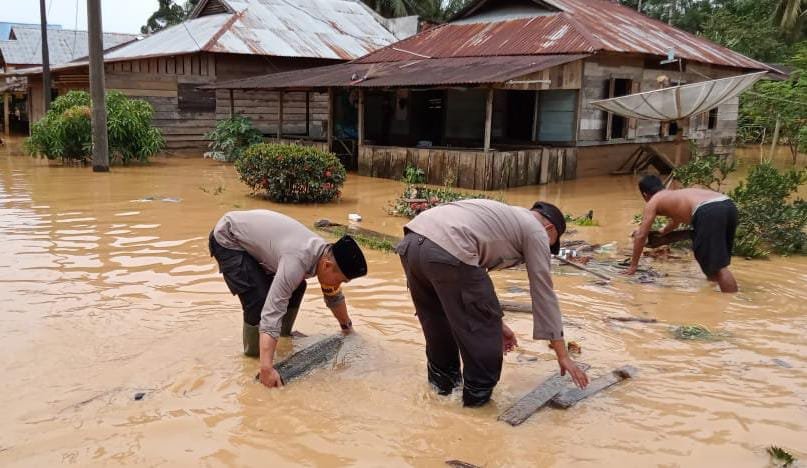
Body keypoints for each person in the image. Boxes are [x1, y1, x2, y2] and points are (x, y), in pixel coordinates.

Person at [395, 199, 589, 407]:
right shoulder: (536, 230)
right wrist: (563, 355)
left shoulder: (504, 216)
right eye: (551, 241)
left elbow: (470, 287)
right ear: (548, 228)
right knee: (484, 344)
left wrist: (498, 323)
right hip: (449, 249)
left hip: (412, 243)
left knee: (438, 328)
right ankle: (475, 414)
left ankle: (440, 398)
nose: (546, 246)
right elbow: (543, 293)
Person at [209, 210, 368, 388]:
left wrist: (347, 328)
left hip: (256, 239)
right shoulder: (298, 261)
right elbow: (272, 312)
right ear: (327, 266)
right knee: (259, 301)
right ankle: (253, 356)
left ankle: (284, 335)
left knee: (298, 286)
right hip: (228, 238)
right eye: (341, 280)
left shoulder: (323, 255)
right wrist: (267, 369)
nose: (340, 285)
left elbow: (333, 295)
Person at [626, 175, 739, 292]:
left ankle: (729, 302)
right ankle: (714, 293)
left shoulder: (653, 201)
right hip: (729, 205)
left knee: (718, 266)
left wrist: (633, 266)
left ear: (645, 195)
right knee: (709, 259)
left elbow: (641, 235)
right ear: (661, 186)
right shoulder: (674, 195)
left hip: (708, 211)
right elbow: (675, 222)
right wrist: (663, 232)